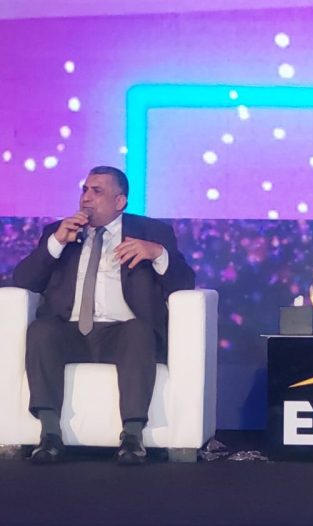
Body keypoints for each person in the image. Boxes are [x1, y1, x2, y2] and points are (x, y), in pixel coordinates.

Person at [13, 166, 195, 465]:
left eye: (96, 192)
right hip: (69, 332)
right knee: (41, 330)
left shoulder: (152, 232)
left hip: (121, 333)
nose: (86, 198)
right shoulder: (59, 232)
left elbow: (185, 283)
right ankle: (50, 435)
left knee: (138, 331)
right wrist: (56, 243)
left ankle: (132, 437)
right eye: (84, 190)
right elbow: (23, 281)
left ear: (119, 201)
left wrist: (158, 254)